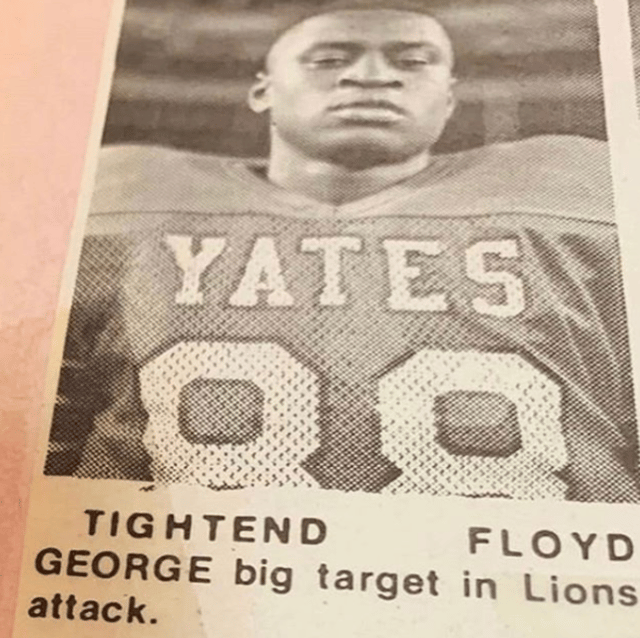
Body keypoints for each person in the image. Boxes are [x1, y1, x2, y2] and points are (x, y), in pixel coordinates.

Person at [47, 0, 639, 501]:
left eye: (413, 61)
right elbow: (44, 443)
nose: (372, 77)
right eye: (331, 59)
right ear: (262, 90)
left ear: (450, 98)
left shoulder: (585, 191)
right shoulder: (116, 197)